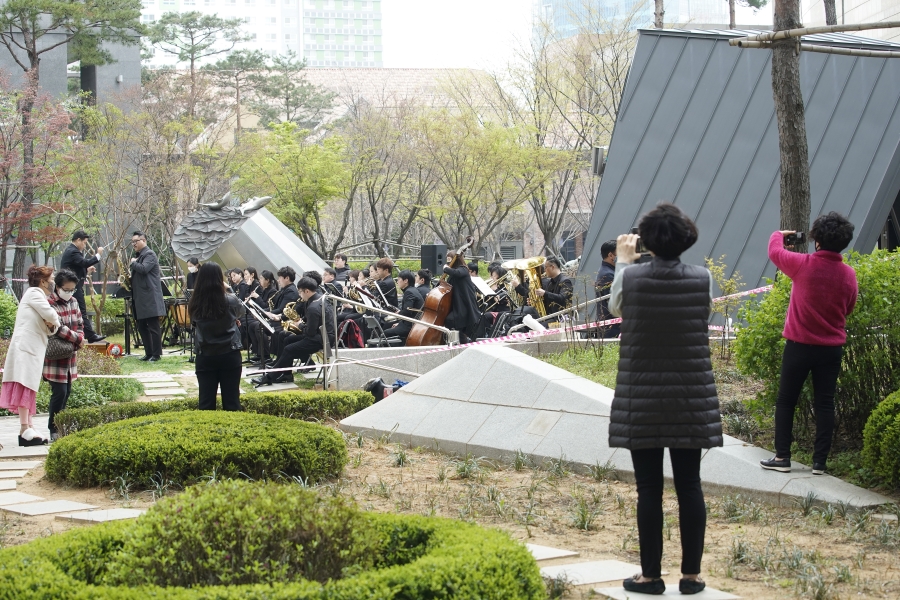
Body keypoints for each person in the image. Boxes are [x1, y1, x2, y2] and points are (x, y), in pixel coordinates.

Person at [608, 202, 721, 596]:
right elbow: (701, 314)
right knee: (690, 484)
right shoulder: (702, 277)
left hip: (642, 395)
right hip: (691, 394)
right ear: (687, 238)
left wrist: (624, 262)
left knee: (648, 488)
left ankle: (650, 576)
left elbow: (615, 307)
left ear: (647, 241)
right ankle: (691, 577)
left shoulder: (633, 277)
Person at [760, 213, 858, 476]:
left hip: (799, 345)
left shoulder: (802, 265)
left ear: (816, 241)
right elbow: (848, 308)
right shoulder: (849, 275)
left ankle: (782, 457)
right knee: (825, 402)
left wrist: (780, 235)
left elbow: (774, 251)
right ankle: (819, 463)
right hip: (831, 349)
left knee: (786, 401)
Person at [0, 266, 60, 446]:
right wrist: (54, 321)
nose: (53, 282)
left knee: (28, 386)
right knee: (25, 385)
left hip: (31, 348)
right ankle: (25, 428)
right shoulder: (34, 293)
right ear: (42, 281)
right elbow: (51, 316)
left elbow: (51, 327)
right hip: (26, 348)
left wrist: (52, 324)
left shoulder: (37, 295)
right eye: (51, 279)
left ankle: (28, 428)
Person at [252, 276, 335, 387]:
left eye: (300, 292)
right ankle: (287, 374)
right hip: (323, 335)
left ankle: (269, 377)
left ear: (307, 291)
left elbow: (309, 333)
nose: (299, 295)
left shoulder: (313, 307)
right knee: (286, 338)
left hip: (322, 340)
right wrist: (302, 322)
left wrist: (299, 324)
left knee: (289, 349)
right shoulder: (319, 298)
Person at [189, 262, 246, 411]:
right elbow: (241, 311)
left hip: (205, 354)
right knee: (232, 402)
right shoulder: (230, 299)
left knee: (206, 403)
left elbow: (195, 322)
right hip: (229, 352)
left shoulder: (195, 303)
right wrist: (229, 289)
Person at [44, 269, 85, 441]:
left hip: (70, 356)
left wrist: (80, 336)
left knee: (67, 391)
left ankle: (60, 426)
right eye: (66, 290)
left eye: (72, 290)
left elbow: (80, 323)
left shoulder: (74, 302)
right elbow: (57, 327)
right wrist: (78, 339)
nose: (69, 293)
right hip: (55, 356)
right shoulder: (49, 303)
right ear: (58, 287)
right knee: (59, 392)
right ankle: (53, 428)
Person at [59, 230, 105, 343]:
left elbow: (77, 266)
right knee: (80, 310)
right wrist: (98, 255)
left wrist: (86, 270)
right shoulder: (73, 251)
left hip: (71, 287)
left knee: (77, 311)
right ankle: (90, 335)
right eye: (84, 243)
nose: (84, 246)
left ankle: (86, 334)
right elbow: (84, 262)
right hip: (72, 288)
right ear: (78, 240)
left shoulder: (71, 251)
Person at [129, 231, 166, 362]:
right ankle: (148, 353)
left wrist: (133, 263)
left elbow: (144, 269)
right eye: (132, 242)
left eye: (135, 241)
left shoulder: (149, 254)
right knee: (142, 326)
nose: (133, 244)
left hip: (149, 297)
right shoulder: (139, 255)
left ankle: (156, 354)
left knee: (153, 326)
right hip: (141, 297)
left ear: (143, 240)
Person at [443, 251, 479, 343]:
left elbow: (457, 273)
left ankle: (461, 342)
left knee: (451, 321)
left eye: (450, 260)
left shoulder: (463, 269)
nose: (448, 263)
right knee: (454, 324)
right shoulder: (453, 274)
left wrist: (446, 269)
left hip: (464, 305)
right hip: (457, 304)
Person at [384, 270, 424, 342]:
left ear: (405, 281)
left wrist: (398, 314)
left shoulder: (409, 292)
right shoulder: (412, 290)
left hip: (410, 326)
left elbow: (407, 312)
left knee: (385, 333)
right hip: (410, 323)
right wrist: (399, 323)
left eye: (399, 279)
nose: (397, 282)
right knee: (388, 326)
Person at [594, 240, 620, 338]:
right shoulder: (608, 274)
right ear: (611, 255)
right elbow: (615, 302)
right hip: (612, 327)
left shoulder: (607, 271)